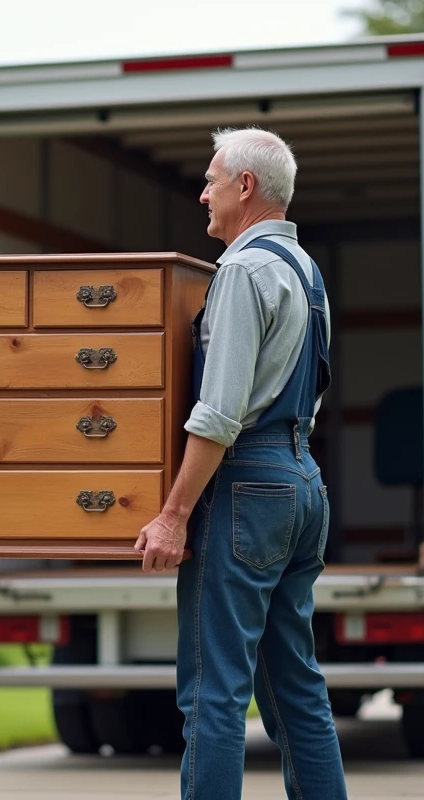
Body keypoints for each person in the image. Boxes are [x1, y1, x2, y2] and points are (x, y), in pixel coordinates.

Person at [135, 127, 348, 799]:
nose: (203, 193)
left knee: (214, 693)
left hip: (246, 486)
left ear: (246, 187)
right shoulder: (307, 274)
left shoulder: (242, 271)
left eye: (211, 180)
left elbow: (219, 413)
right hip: (301, 480)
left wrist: (173, 515)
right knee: (295, 691)